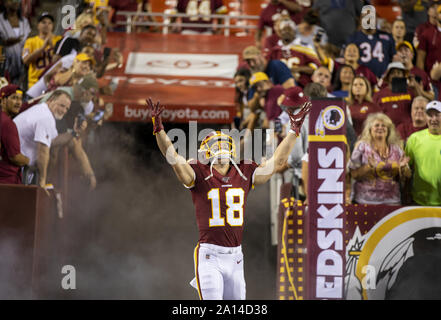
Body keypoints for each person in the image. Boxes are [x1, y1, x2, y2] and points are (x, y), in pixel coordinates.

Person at [146, 96, 311, 300]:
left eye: (224, 143)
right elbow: (173, 158)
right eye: (215, 144)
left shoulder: (243, 171)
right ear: (206, 151)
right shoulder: (199, 172)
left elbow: (277, 162)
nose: (221, 147)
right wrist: (159, 129)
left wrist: (294, 131)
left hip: (236, 258)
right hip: (209, 256)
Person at [349, 113, 411, 205]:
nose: (380, 127)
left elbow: (408, 175)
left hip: (392, 201)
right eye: (376, 125)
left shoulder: (396, 149)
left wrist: (402, 168)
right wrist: (368, 167)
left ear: (388, 130)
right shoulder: (362, 147)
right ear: (370, 129)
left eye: (384, 126)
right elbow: (353, 174)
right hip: (365, 201)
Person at [13, 90, 71, 188]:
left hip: (18, 167)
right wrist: (42, 181)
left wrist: (74, 133)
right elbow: (43, 152)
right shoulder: (46, 117)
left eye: (67, 108)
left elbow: (52, 141)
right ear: (51, 100)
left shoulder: (42, 110)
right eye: (61, 105)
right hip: (16, 169)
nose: (64, 111)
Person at [267, 16, 321, 88]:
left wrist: (297, 69)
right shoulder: (275, 51)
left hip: (302, 87)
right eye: (284, 30)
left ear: (294, 31)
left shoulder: (305, 47)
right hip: (280, 87)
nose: (286, 32)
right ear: (279, 32)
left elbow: (316, 67)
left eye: (289, 30)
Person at [405, 100, 441, 206]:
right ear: (426, 118)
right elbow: (407, 169)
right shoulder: (414, 139)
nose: (433, 119)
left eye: (437, 115)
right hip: (419, 201)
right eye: (430, 115)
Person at [347, 10, 397, 79]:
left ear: (376, 19)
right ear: (361, 20)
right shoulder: (353, 38)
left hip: (383, 80)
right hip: (360, 79)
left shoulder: (387, 37)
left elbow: (394, 59)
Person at [22, 12, 61, 89]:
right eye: (43, 22)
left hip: (54, 82)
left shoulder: (59, 40)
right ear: (38, 25)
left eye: (49, 23)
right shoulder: (30, 41)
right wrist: (42, 48)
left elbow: (63, 60)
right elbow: (25, 60)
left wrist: (53, 47)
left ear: (52, 26)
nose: (47, 25)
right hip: (35, 83)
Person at [0, 84, 29, 184]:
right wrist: (28, 161)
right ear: (3, 100)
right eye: (14, 98)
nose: (18, 103)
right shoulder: (7, 123)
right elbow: (15, 157)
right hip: (6, 182)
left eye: (20, 99)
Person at [373, 61, 414, 127]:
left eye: (399, 73)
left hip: (407, 129)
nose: (396, 75)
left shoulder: (411, 92)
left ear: (403, 76)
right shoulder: (378, 95)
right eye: (393, 73)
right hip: (386, 130)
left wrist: (415, 86)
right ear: (388, 77)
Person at [0, 0, 31, 86]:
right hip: (4, 62)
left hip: (22, 63)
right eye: (11, 0)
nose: (15, 2)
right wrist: (5, 42)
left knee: (19, 90)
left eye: (17, 0)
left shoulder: (24, 21)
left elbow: (28, 39)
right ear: (5, 3)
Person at [416, 5, 441, 74]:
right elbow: (420, 59)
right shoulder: (427, 34)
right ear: (437, 15)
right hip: (432, 80)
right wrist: (423, 79)